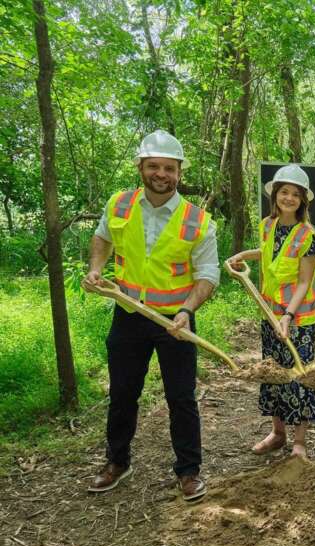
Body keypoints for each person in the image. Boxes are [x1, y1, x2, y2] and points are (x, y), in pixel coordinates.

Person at [82, 130, 218, 501]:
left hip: (176, 321)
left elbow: (208, 274)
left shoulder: (198, 220)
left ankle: (189, 471)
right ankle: (117, 461)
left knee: (181, 397)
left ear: (179, 172)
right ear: (141, 167)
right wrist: (97, 268)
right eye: (154, 166)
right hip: (128, 314)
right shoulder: (120, 204)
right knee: (123, 392)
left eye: (169, 168)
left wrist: (187, 311)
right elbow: (102, 237)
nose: (161, 174)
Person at [227, 164, 315, 460]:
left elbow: (305, 281)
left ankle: (300, 442)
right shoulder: (268, 225)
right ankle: (277, 433)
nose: (289, 198)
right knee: (273, 372)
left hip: (298, 318)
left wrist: (288, 316)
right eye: (284, 192)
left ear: (303, 199)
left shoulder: (308, 235)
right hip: (269, 312)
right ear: (275, 195)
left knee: (299, 374)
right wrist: (245, 255)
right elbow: (271, 253)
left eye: (295, 194)